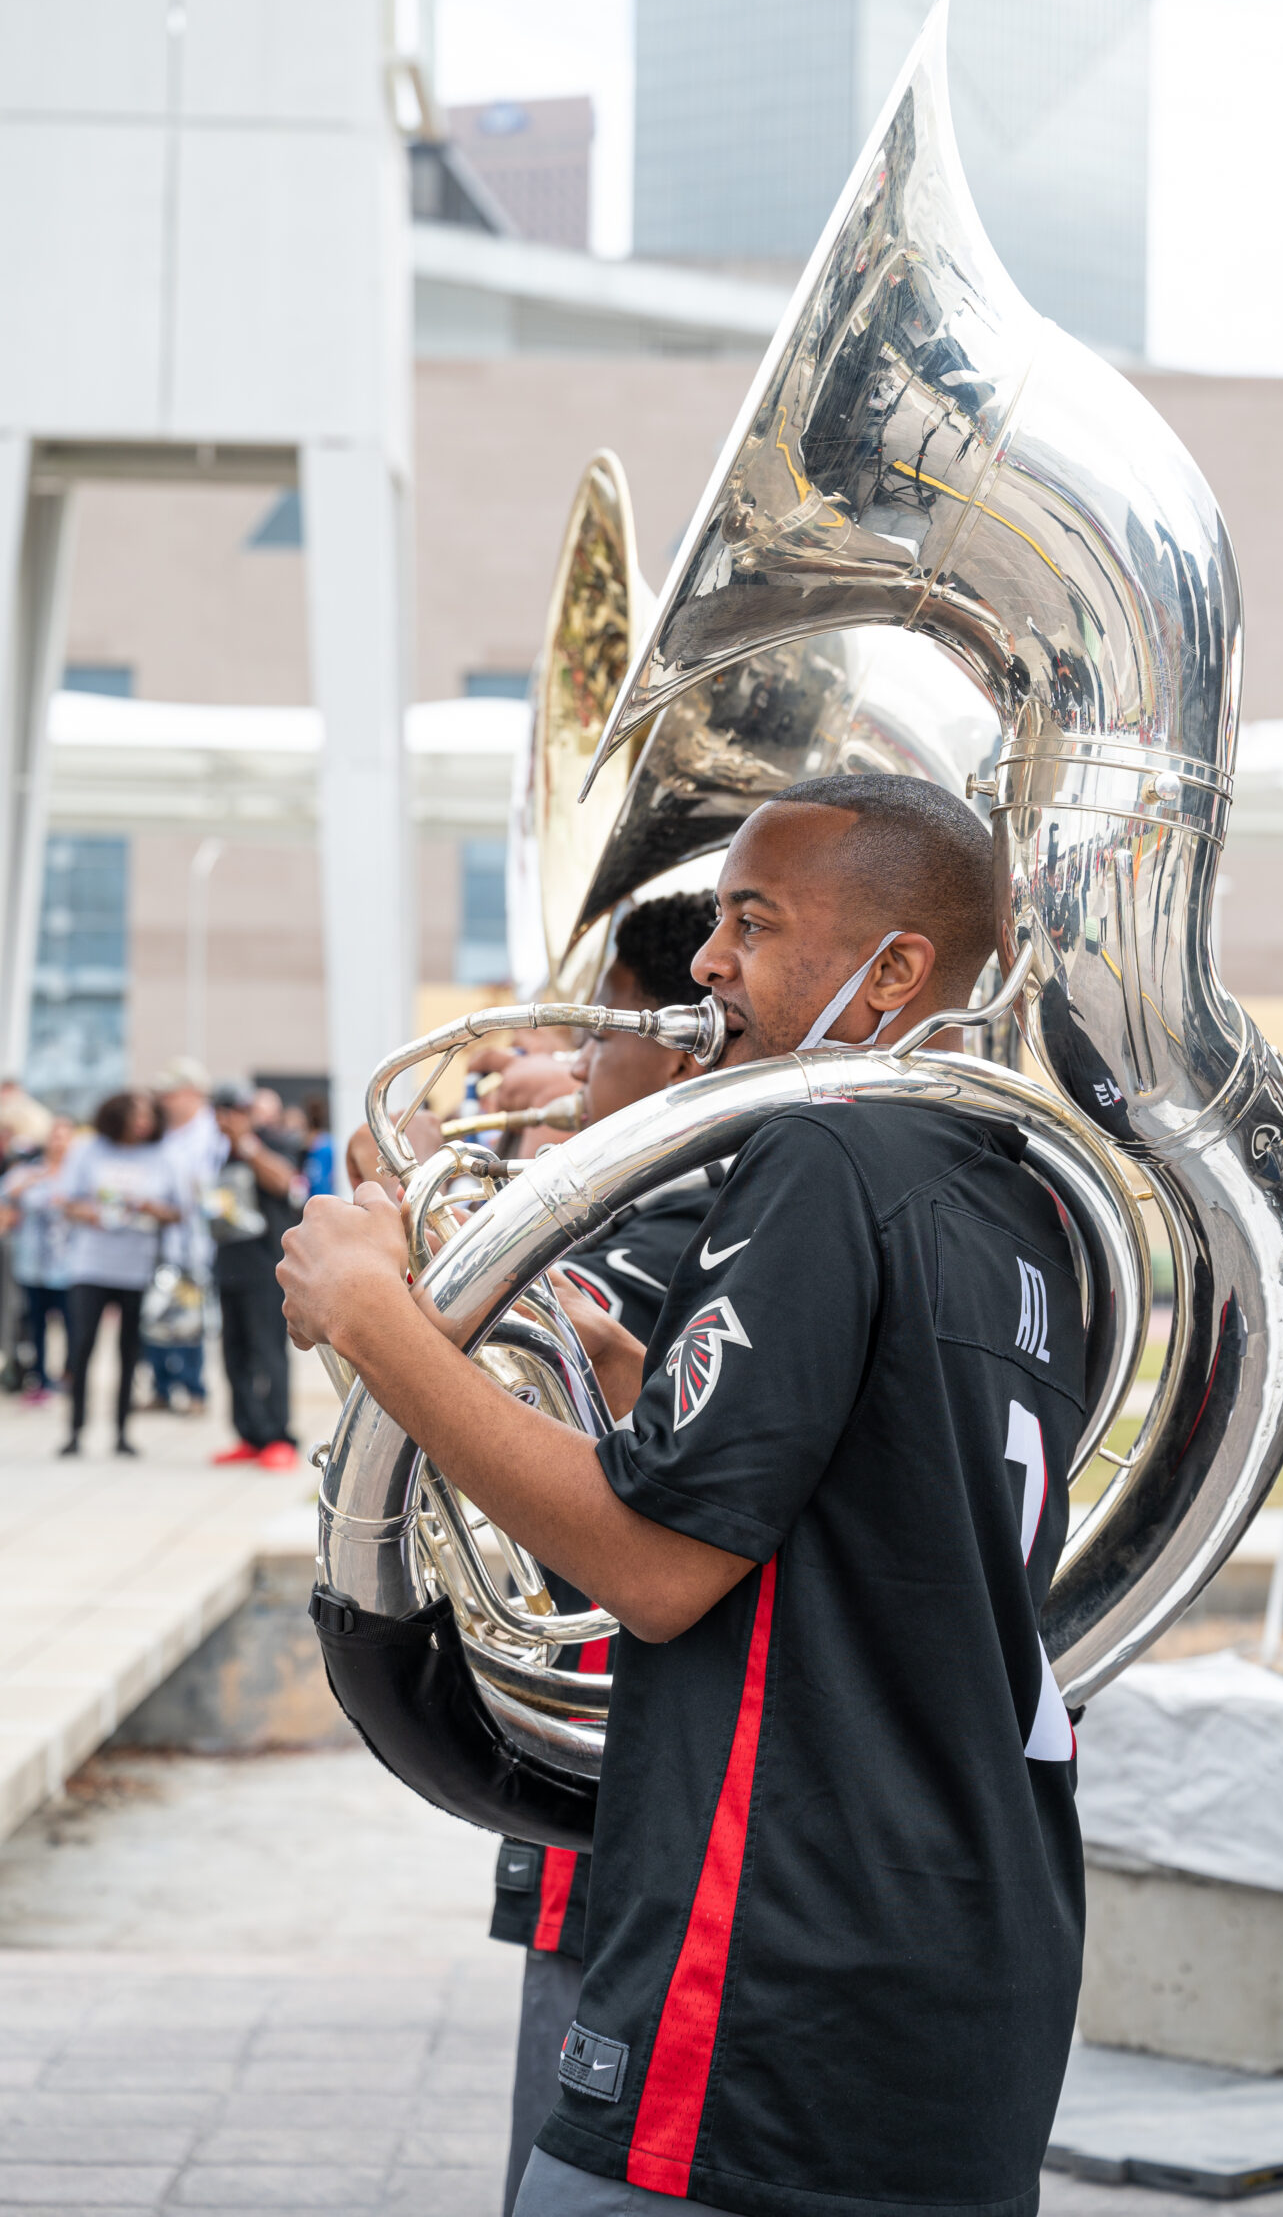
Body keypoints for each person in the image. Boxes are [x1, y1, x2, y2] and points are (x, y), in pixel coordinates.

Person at [279, 775, 1086, 2217]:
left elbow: (657, 1569)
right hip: (960, 1956)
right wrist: (632, 1364)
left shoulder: (822, 1149)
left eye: (750, 921)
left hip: (770, 1960)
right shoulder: (1013, 1198)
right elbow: (868, 1504)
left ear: (894, 969)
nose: (707, 961)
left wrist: (374, 1317)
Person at [483, 891, 722, 2217]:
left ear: (682, 1042)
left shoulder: (678, 1224)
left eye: (600, 1036)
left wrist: (403, 1284)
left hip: (645, 1799)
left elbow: (589, 1501)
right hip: (646, 1789)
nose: (571, 1063)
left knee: (572, 2152)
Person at [54, 1090, 181, 1457]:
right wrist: (91, 1213)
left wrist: (152, 1208)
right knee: (81, 1347)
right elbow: (66, 1201)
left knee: (130, 1351)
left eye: (148, 1116)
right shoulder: (88, 1150)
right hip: (91, 1264)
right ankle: (75, 1429)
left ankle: (122, 1431)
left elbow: (178, 1211)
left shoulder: (161, 1155)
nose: (143, 1123)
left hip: (136, 1267)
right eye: (135, 1116)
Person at [206, 1083, 301, 1469]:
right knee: (234, 1356)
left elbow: (283, 1181)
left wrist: (246, 1142)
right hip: (228, 1266)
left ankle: (279, 1437)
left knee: (269, 1354)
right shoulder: (215, 1152)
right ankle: (249, 1433)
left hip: (266, 1268)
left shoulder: (270, 1142)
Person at [147, 1060, 223, 1414]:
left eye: (171, 1093)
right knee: (157, 1314)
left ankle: (194, 1390)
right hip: (162, 1237)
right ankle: (161, 1387)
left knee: (190, 1319)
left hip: (196, 1240)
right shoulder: (165, 1133)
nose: (164, 1100)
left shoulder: (212, 1134)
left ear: (192, 1093)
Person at [0, 1115, 75, 1400]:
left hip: (70, 1265)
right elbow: (6, 1194)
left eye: (64, 1136)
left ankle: (70, 1374)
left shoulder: (78, 1174)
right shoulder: (29, 1172)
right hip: (33, 1264)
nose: (58, 1142)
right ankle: (39, 1378)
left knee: (73, 1324)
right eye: (54, 1135)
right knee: (35, 1324)